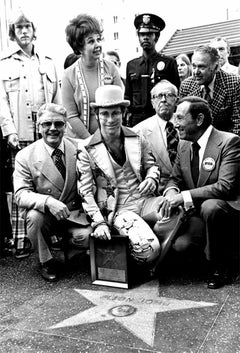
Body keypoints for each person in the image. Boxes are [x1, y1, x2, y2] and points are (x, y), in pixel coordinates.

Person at [77, 85, 166, 272]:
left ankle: (142, 247)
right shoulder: (86, 148)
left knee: (178, 211)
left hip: (146, 200)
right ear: (97, 115)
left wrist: (152, 179)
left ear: (123, 113)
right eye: (105, 114)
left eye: (115, 113)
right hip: (118, 209)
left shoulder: (137, 138)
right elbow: (84, 191)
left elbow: (152, 166)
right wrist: (99, 222)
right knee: (148, 250)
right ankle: (135, 255)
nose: (110, 119)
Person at [159, 96, 240, 289]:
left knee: (211, 206)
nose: (174, 123)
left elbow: (224, 187)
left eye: (179, 117)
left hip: (226, 210)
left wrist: (184, 196)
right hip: (196, 212)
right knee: (181, 246)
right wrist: (171, 193)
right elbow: (175, 178)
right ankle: (206, 253)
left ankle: (221, 266)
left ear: (199, 120)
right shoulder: (184, 144)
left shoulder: (229, 142)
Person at [0, 8, 61, 259]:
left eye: (27, 27)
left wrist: (57, 127)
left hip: (45, 132)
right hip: (21, 133)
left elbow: (56, 98)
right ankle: (22, 240)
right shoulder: (4, 64)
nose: (23, 31)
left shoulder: (47, 62)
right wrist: (9, 131)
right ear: (13, 34)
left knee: (47, 182)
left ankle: (51, 235)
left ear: (34, 31)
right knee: (21, 186)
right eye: (18, 28)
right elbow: (1, 101)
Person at [13, 103, 91, 282]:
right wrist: (48, 201)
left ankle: (75, 251)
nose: (53, 129)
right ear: (38, 126)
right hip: (47, 215)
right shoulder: (25, 156)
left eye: (58, 124)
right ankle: (46, 260)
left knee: (86, 238)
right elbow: (20, 194)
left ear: (66, 126)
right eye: (47, 124)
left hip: (74, 214)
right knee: (34, 217)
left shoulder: (79, 148)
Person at [61, 14, 123, 140]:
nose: (97, 45)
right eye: (91, 41)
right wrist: (91, 141)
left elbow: (119, 106)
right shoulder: (68, 75)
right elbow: (71, 115)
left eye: (99, 39)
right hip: (79, 142)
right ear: (79, 47)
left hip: (110, 139)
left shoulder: (111, 68)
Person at [124, 13, 180, 127]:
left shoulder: (168, 63)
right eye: (142, 34)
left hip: (161, 117)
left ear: (157, 37)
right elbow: (128, 96)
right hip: (137, 120)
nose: (145, 37)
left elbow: (176, 93)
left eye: (149, 34)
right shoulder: (131, 65)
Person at [179, 45, 240, 136]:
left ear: (216, 68)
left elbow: (237, 124)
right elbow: (184, 123)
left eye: (202, 67)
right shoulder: (186, 86)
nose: (196, 72)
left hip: (226, 143)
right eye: (194, 66)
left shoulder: (234, 83)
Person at [134, 80, 179, 194]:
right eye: (158, 96)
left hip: (189, 188)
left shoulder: (188, 124)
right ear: (152, 103)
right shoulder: (139, 131)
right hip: (157, 191)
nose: (163, 100)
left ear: (177, 100)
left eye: (169, 95)